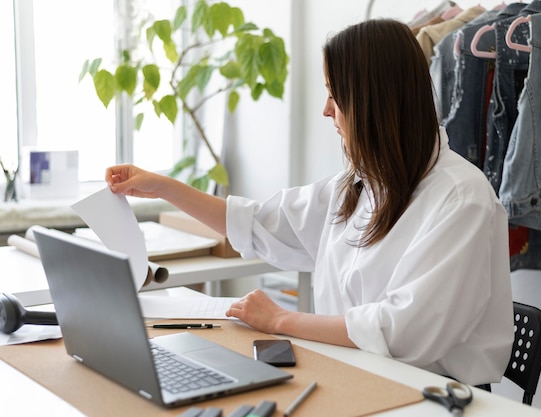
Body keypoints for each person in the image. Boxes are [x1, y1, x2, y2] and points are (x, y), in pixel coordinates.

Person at [106, 18, 513, 386]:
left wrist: (282, 319)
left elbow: (403, 330)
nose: (326, 110)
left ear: (373, 103)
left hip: (430, 393)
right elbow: (263, 223)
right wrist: (164, 188)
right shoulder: (361, 183)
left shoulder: (462, 200)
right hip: (351, 372)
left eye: (335, 96)